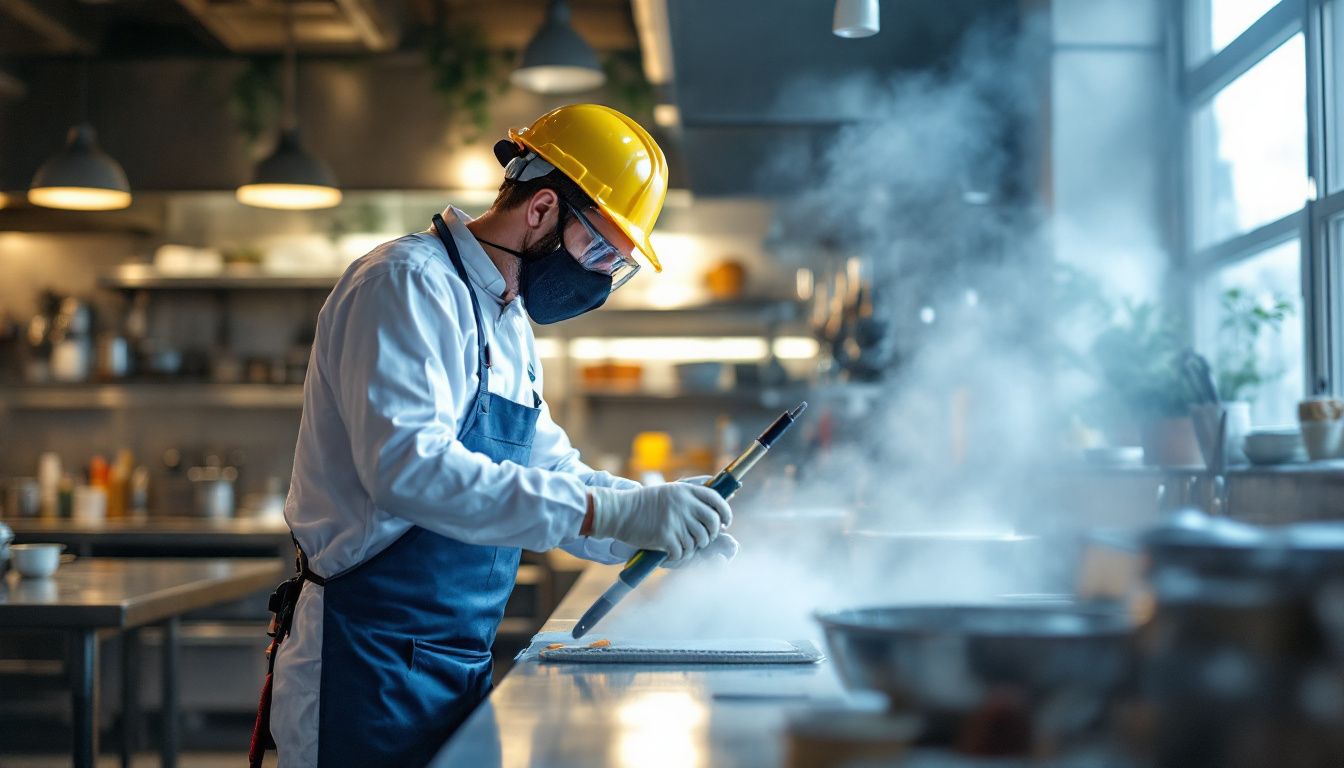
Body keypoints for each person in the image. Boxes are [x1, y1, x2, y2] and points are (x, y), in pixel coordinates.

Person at [249, 105, 738, 768]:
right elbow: (408, 469)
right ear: (540, 209)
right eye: (598, 248)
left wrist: (650, 523)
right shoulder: (407, 283)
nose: (597, 276)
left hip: (456, 665)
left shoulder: (508, 325)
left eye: (613, 264)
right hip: (364, 662)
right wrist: (615, 510)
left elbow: (554, 473)